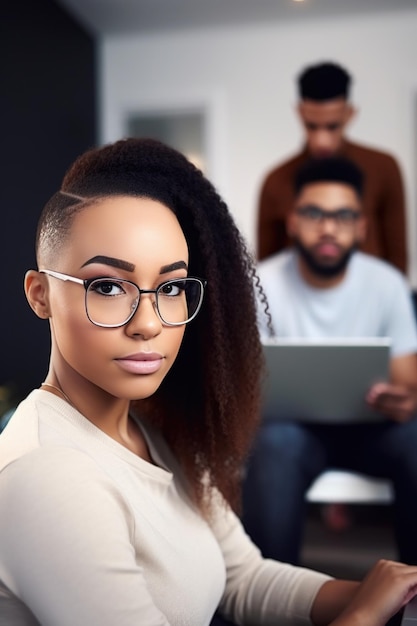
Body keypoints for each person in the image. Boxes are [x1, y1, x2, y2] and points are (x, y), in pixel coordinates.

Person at [0, 138, 416, 626]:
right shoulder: (48, 476)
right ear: (40, 294)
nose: (149, 323)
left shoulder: (153, 431)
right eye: (108, 286)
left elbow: (246, 578)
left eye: (171, 287)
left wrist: (391, 594)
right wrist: (364, 615)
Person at [242, 155, 417, 572]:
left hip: (373, 433)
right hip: (293, 436)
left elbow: (409, 382)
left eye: (342, 215)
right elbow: (245, 380)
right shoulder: (260, 282)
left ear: (362, 226)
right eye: (314, 213)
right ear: (292, 222)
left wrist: (405, 401)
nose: (327, 227)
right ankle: (271, 599)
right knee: (274, 444)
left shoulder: (387, 284)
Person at [257, 61, 408, 273]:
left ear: (350, 114)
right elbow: (267, 271)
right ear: (300, 113)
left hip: (370, 300)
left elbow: (398, 259)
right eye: (312, 126)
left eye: (332, 126)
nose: (322, 141)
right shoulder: (276, 180)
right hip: (299, 302)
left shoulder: (384, 168)